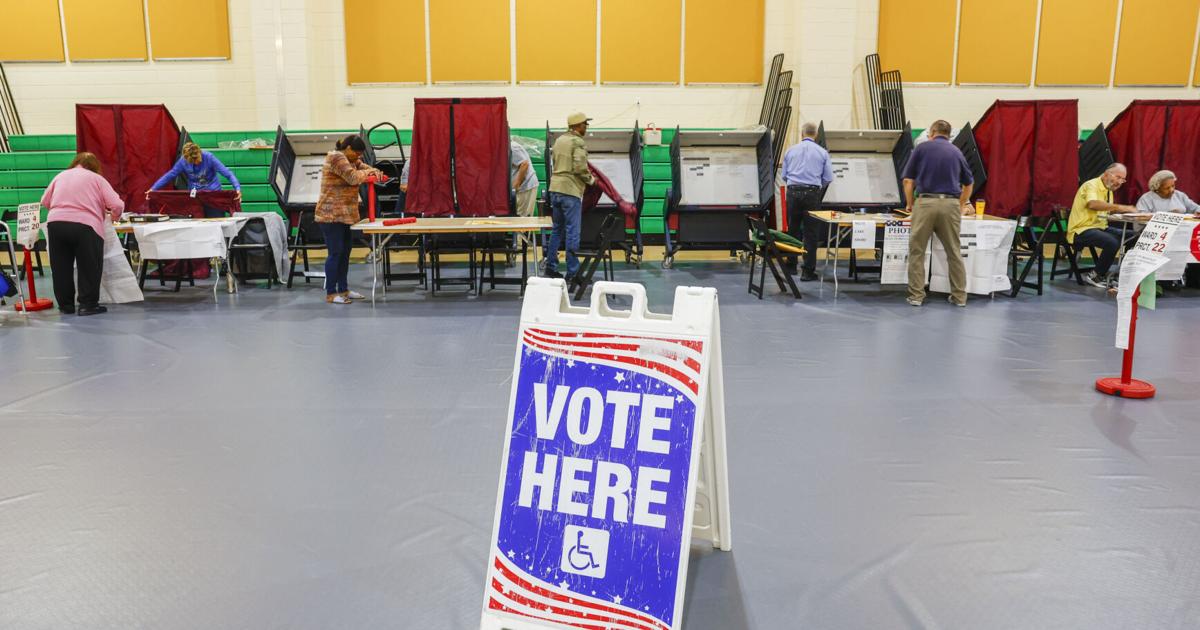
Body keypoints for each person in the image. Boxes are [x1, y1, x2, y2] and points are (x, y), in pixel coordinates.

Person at [900, 120, 974, 307]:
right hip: (950, 204)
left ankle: (917, 296)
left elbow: (908, 181)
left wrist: (910, 204)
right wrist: (960, 203)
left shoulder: (922, 149)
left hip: (925, 203)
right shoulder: (956, 152)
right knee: (954, 252)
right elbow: (969, 183)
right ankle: (959, 297)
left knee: (917, 251)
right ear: (949, 134)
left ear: (932, 132)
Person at [40, 152, 124, 316]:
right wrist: (114, 217)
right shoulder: (97, 179)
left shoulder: (61, 176)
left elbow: (45, 201)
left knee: (61, 267)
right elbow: (116, 204)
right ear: (95, 167)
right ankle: (88, 305)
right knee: (89, 267)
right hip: (86, 226)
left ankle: (66, 306)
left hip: (56, 224)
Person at [315, 135, 383, 304]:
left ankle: (343, 290)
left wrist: (375, 172)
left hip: (345, 215)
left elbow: (366, 169)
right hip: (330, 215)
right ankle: (331, 293)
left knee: (345, 253)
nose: (359, 156)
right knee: (335, 253)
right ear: (348, 148)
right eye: (357, 152)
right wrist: (369, 173)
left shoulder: (352, 159)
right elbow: (353, 177)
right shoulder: (336, 157)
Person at [1067, 163, 1137, 289]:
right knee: (1112, 242)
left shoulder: (1108, 190)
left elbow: (1106, 211)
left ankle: (1122, 273)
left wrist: (1126, 214)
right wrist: (1120, 207)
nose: (1120, 182)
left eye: (1123, 179)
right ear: (1106, 174)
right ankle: (1096, 275)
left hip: (1099, 226)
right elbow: (1093, 204)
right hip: (1081, 229)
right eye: (1118, 177)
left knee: (1134, 236)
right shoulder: (1091, 185)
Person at [780, 122, 833, 280]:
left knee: (793, 229)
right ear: (815, 135)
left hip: (793, 192)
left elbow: (784, 176)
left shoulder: (790, 151)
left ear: (801, 134)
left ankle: (791, 266)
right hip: (812, 193)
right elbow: (828, 178)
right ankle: (807, 271)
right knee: (811, 233)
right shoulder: (822, 152)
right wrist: (815, 187)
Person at [545, 112, 595, 281]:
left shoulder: (559, 140)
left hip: (555, 188)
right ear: (577, 126)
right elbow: (580, 167)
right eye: (584, 125)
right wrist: (592, 181)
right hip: (570, 190)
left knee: (557, 230)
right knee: (573, 232)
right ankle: (573, 272)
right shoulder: (577, 142)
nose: (586, 128)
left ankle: (551, 267)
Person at [147, 142, 241, 217]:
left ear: (200, 153)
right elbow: (170, 175)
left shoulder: (209, 157)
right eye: (193, 162)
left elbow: (227, 173)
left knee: (217, 223)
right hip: (195, 198)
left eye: (198, 160)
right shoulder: (183, 161)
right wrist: (153, 189)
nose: (196, 163)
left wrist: (237, 188)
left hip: (213, 196)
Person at [1135, 170, 1200, 214]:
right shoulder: (1146, 199)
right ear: (1157, 188)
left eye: (1173, 186)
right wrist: (1169, 216)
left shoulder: (1179, 195)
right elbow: (1140, 218)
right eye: (1167, 188)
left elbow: (1196, 208)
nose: (1171, 190)